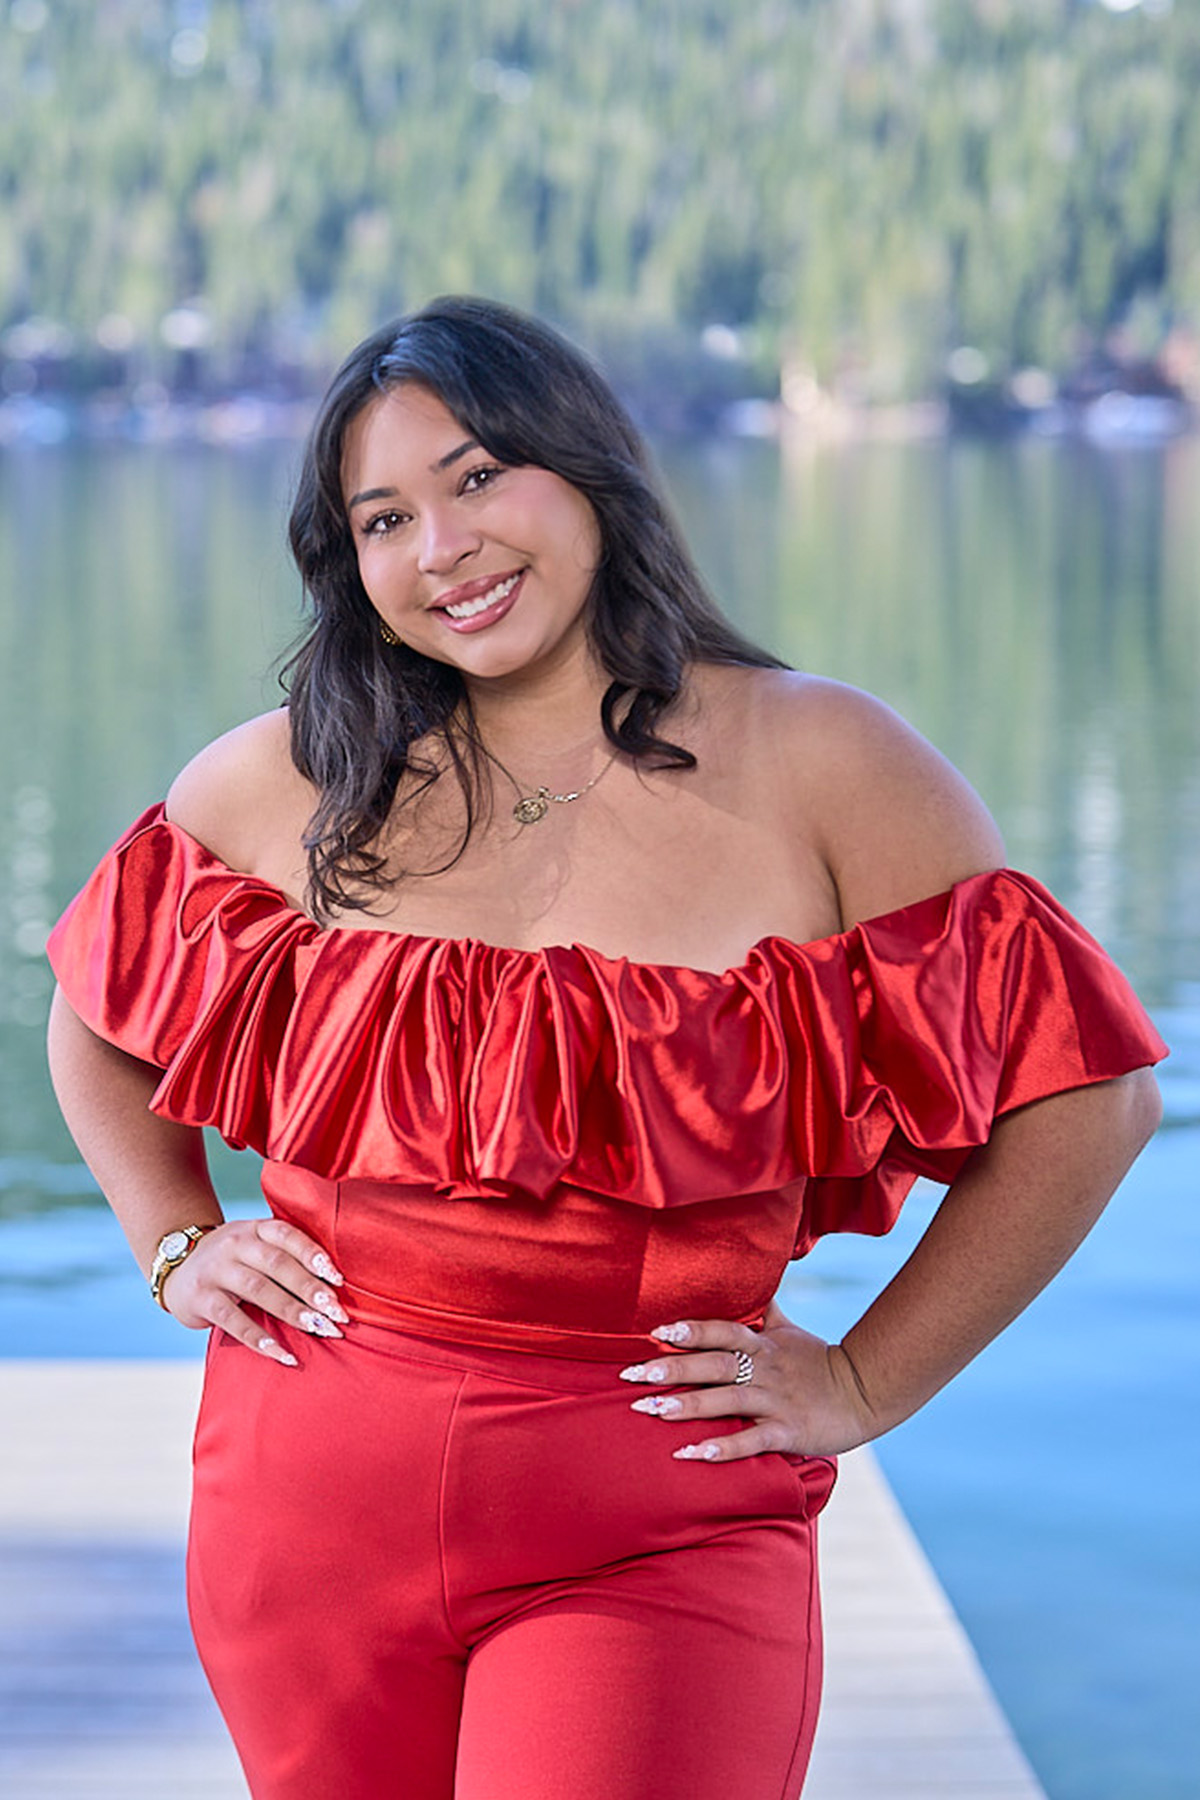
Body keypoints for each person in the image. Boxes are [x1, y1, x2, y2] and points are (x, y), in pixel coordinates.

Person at [46, 296, 1166, 1800]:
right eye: (382, 516)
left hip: (656, 1525)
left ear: (589, 471)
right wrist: (175, 1241)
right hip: (299, 1524)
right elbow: (95, 1016)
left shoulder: (825, 763)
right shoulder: (288, 781)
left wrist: (866, 1381)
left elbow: (1087, 1099)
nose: (441, 548)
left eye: (479, 475)